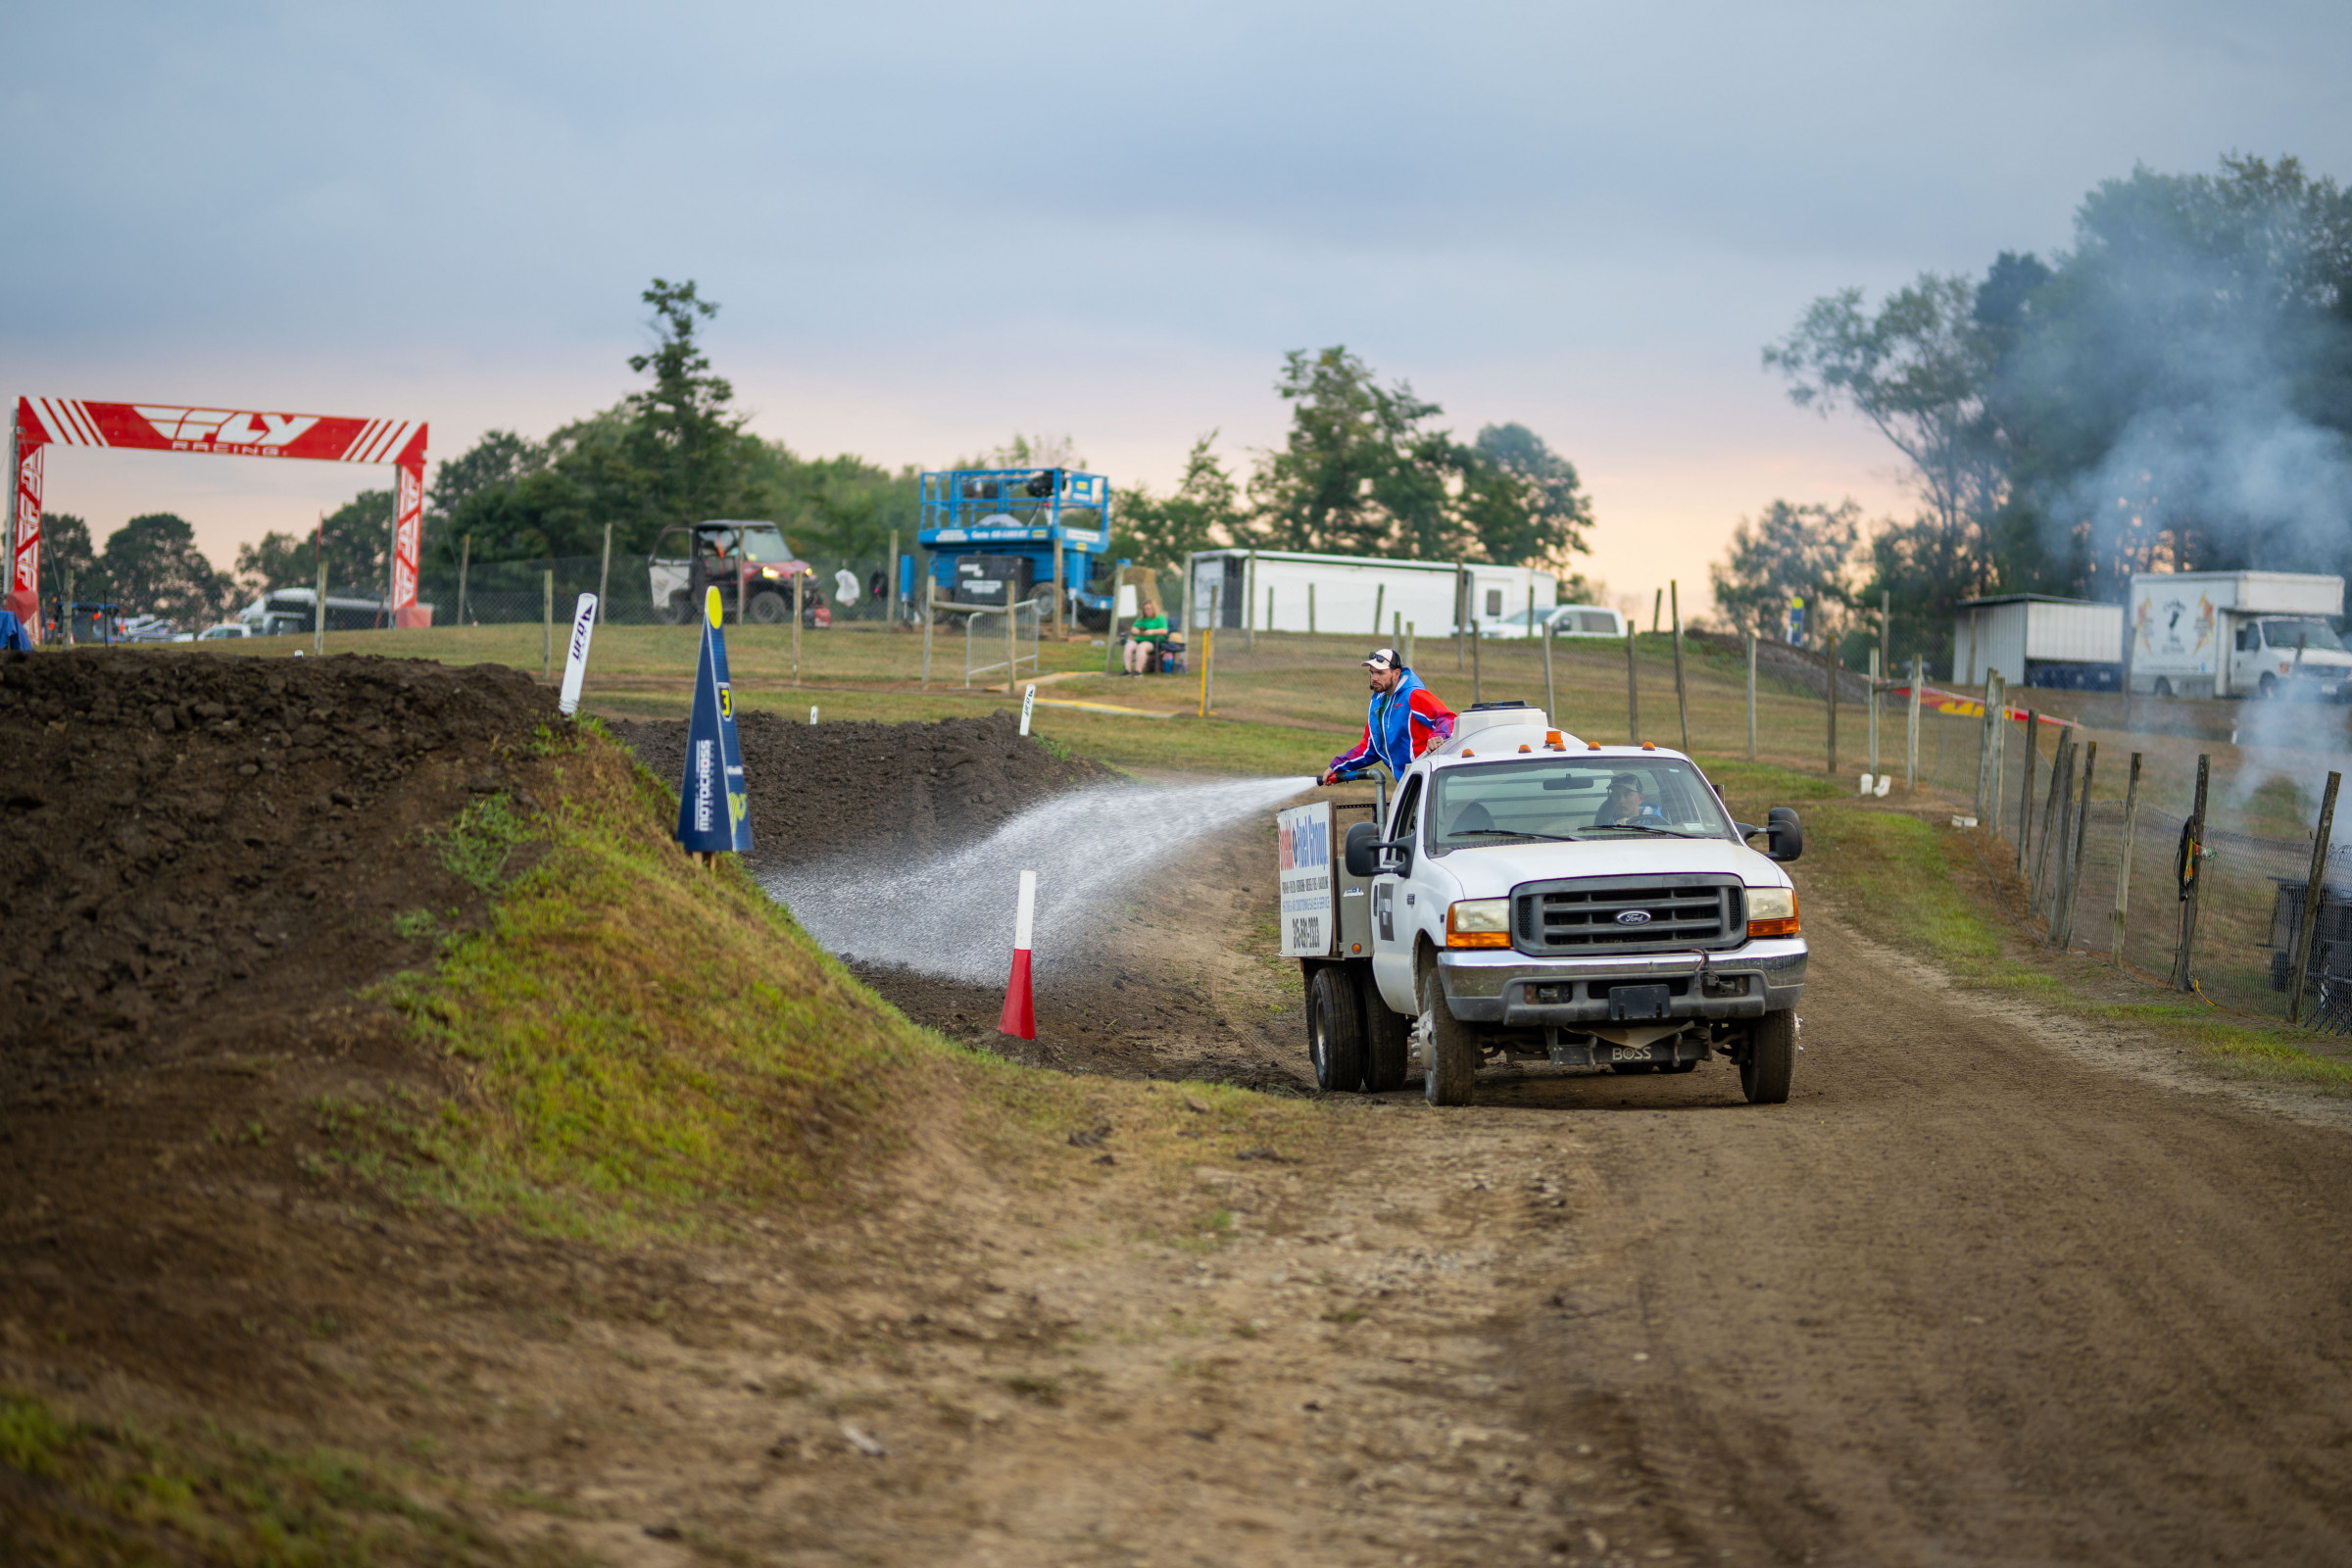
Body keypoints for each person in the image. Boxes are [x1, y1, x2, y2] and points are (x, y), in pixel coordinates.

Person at [1322, 648, 1456, 784]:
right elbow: (1370, 748)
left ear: (1396, 673)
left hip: (1429, 780)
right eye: (1372, 673)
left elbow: (1447, 718)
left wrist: (1438, 736)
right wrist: (1337, 765)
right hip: (1407, 783)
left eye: (1380, 673)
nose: (1374, 678)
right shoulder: (1378, 704)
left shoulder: (1413, 695)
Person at [1595, 772, 1666, 827]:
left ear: (1640, 798)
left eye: (1627, 794)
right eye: (1616, 795)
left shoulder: (1659, 826)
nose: (1621, 800)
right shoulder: (1605, 826)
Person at [1123, 600, 1170, 674]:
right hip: (1139, 640)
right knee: (1128, 645)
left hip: (1153, 642)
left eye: (1149, 609)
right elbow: (1134, 628)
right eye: (1145, 609)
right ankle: (1127, 670)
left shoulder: (1160, 618)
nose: (1146, 611)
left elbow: (1164, 630)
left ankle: (1138, 671)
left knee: (1141, 647)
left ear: (1154, 609)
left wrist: (1152, 631)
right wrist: (1137, 631)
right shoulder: (1142, 618)